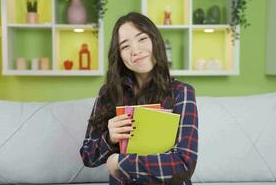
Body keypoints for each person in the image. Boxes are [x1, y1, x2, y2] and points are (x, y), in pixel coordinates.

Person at [80, 12, 198, 184]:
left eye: (142, 39)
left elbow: (184, 164)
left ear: (155, 41)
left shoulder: (182, 92)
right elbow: (87, 156)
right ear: (119, 55)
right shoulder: (108, 93)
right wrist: (110, 138)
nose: (136, 50)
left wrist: (121, 163)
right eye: (125, 46)